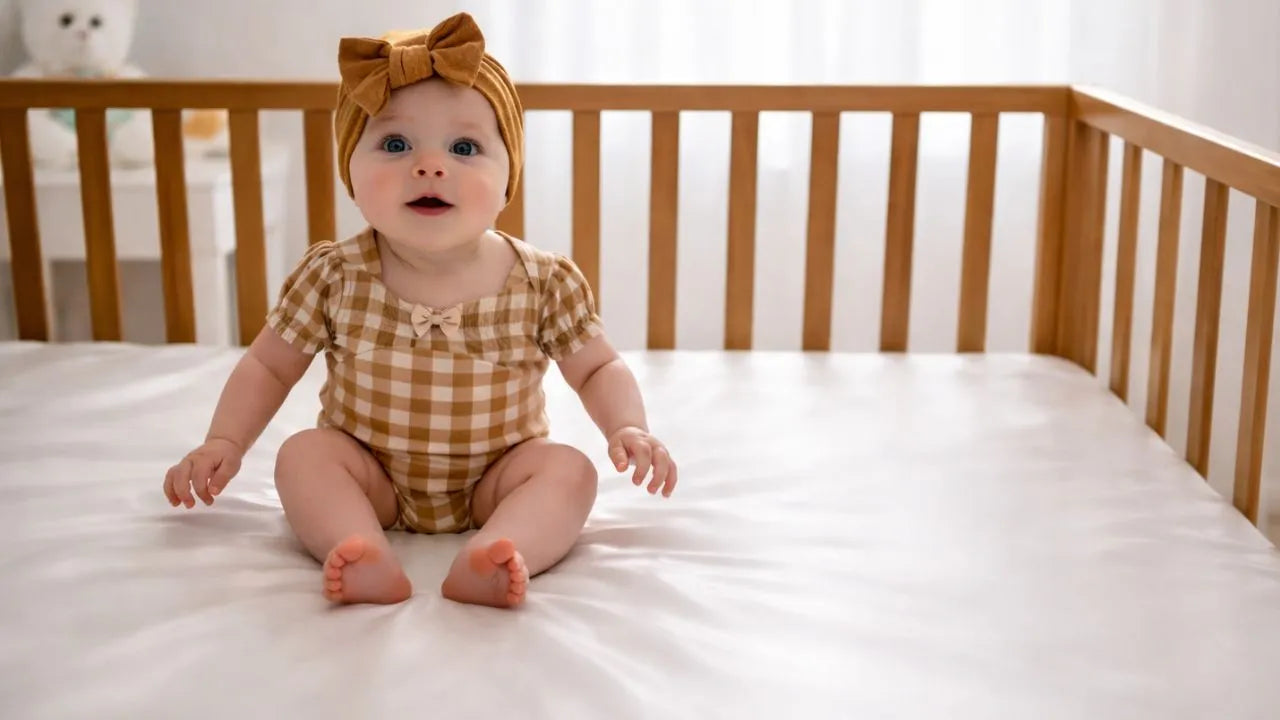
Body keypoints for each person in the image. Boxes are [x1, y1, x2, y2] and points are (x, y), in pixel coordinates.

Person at [162, 12, 677, 609]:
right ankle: (357, 546)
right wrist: (224, 440)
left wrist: (626, 426)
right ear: (350, 170)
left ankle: (504, 549)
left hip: (498, 476)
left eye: (464, 147)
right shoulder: (333, 274)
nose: (430, 166)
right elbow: (269, 367)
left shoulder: (543, 281)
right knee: (303, 455)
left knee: (569, 472)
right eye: (396, 144)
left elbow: (596, 369)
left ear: (509, 174)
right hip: (370, 473)